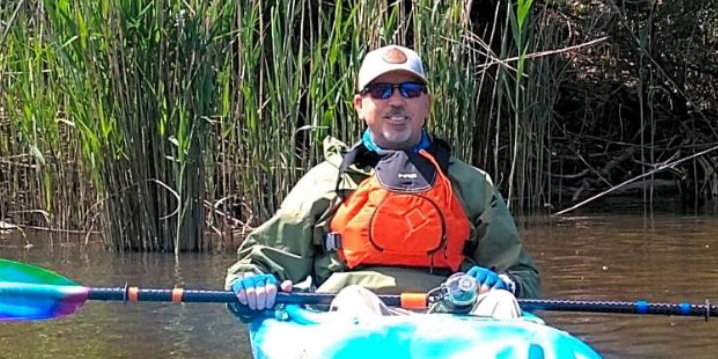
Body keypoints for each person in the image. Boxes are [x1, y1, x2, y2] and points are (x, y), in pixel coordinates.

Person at [226, 44, 540, 321]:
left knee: (500, 302)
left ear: (426, 103)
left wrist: (506, 283)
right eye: (381, 92)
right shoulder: (326, 181)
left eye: (410, 90)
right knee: (355, 301)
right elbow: (265, 260)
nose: (397, 102)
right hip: (356, 315)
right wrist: (253, 282)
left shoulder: (470, 184)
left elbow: (522, 276)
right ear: (360, 106)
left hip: (452, 318)